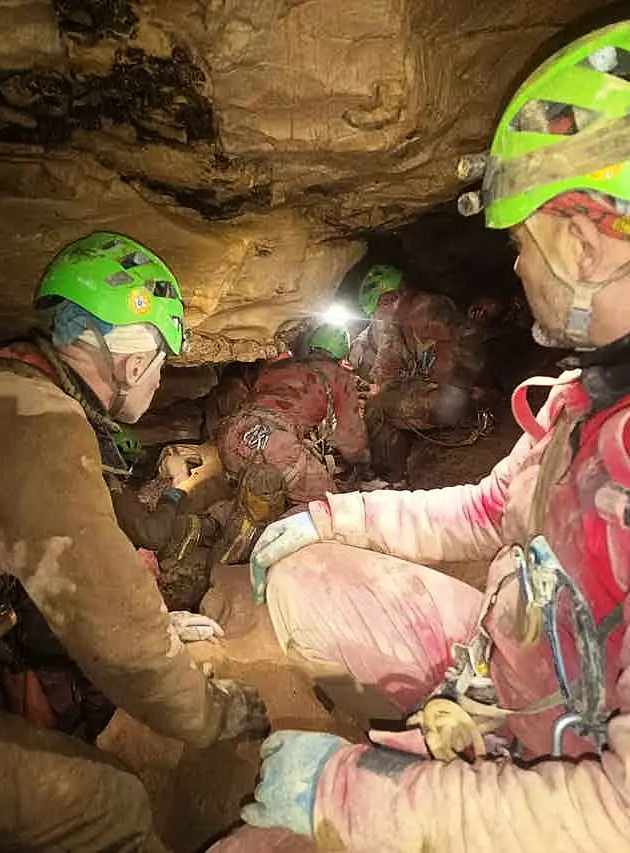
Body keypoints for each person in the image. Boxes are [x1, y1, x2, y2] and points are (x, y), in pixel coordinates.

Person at [210, 21, 630, 853]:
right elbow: (488, 511)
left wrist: (349, 794)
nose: (516, 266)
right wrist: (332, 517)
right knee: (304, 579)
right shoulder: (591, 400)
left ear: (582, 246)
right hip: (522, 668)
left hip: (572, 785)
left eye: (521, 242)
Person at [0, 231, 267, 851]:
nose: (159, 381)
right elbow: (115, 629)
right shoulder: (40, 421)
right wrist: (214, 712)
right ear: (133, 362)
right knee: (109, 805)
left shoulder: (7, 387)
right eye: (162, 364)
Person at [215, 323, 370, 562]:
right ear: (343, 353)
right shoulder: (339, 376)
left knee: (256, 491)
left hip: (234, 433)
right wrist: (364, 461)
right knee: (325, 508)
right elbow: (349, 436)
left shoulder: (280, 366)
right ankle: (261, 538)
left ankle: (210, 521)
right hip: (276, 442)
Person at [364, 275, 489, 480]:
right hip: (457, 395)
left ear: (391, 299)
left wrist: (457, 389)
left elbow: (458, 347)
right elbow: (390, 363)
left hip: (452, 400)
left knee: (377, 408)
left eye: (380, 308)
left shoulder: (423, 311)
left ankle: (390, 478)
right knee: (385, 398)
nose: (380, 316)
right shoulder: (405, 320)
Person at [348, 264, 403, 383]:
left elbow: (387, 354)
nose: (392, 304)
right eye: (386, 300)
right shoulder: (381, 316)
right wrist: (360, 342)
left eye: (393, 298)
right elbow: (373, 327)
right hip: (372, 357)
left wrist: (375, 382)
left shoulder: (394, 325)